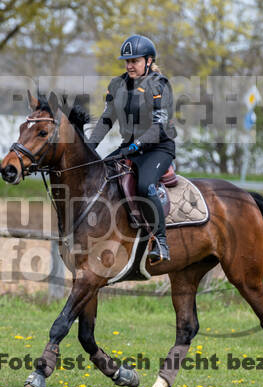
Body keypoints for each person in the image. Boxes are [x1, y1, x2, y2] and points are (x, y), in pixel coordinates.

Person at [87, 34, 177, 264]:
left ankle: (160, 241)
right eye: (127, 61)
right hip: (129, 147)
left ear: (148, 61)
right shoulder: (117, 85)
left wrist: (137, 145)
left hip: (157, 149)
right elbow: (107, 120)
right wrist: (90, 147)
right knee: (98, 176)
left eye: (135, 61)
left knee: (145, 185)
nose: (129, 65)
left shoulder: (159, 85)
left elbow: (159, 126)